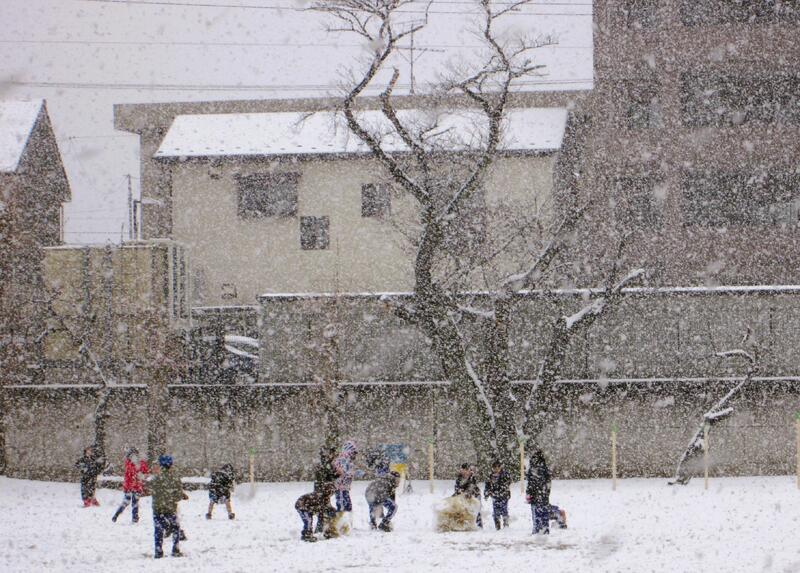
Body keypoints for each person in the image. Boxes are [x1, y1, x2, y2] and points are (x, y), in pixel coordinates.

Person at [151, 454, 188, 558]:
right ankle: (175, 550)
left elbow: (152, 491)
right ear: (171, 464)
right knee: (176, 527)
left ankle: (158, 551)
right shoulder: (175, 478)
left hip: (157, 508)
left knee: (158, 530)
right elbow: (178, 495)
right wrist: (178, 497)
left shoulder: (155, 478)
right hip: (170, 509)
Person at [112, 447, 149, 523]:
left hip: (136, 485)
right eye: (132, 455)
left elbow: (145, 471)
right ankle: (117, 515)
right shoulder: (128, 463)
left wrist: (143, 475)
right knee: (127, 502)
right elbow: (131, 472)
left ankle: (134, 518)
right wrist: (138, 473)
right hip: (129, 486)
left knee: (134, 502)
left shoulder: (140, 463)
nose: (134, 457)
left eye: (135, 455)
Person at [312, 444, 338, 534]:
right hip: (322, 491)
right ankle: (323, 530)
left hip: (321, 491)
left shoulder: (326, 463)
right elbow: (328, 476)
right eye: (332, 453)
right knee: (325, 511)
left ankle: (322, 529)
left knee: (325, 511)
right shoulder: (325, 464)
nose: (334, 455)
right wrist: (336, 474)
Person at [526, 449, 552, 534]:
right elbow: (548, 483)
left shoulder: (532, 469)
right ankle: (545, 529)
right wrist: (547, 492)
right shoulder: (545, 468)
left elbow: (530, 484)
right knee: (544, 514)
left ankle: (537, 530)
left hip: (535, 495)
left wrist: (529, 494)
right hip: (543, 495)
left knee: (536, 514)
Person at [484, 459, 511, 530]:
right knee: (496, 511)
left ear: (500, 467)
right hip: (495, 496)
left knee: (504, 510)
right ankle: (497, 525)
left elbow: (507, 483)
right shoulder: (490, 476)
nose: (496, 469)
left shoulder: (504, 474)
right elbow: (487, 485)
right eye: (494, 468)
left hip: (504, 496)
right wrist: (486, 493)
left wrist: (503, 490)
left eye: (498, 467)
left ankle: (506, 524)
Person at [453, 463, 482, 528]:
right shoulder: (459, 478)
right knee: (463, 511)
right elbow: (457, 488)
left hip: (475, 495)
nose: (465, 472)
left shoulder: (472, 477)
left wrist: (468, 493)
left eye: (467, 470)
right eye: (463, 470)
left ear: (469, 470)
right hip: (464, 496)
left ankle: (479, 526)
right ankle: (465, 526)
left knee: (476, 511)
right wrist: (458, 492)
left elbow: (472, 486)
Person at [333, 440, 359, 514]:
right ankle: (341, 524)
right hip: (340, 488)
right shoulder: (342, 459)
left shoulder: (348, 460)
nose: (355, 455)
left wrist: (354, 472)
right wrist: (353, 473)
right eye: (353, 452)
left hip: (345, 488)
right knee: (342, 507)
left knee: (348, 507)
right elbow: (342, 473)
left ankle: (346, 524)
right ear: (349, 451)